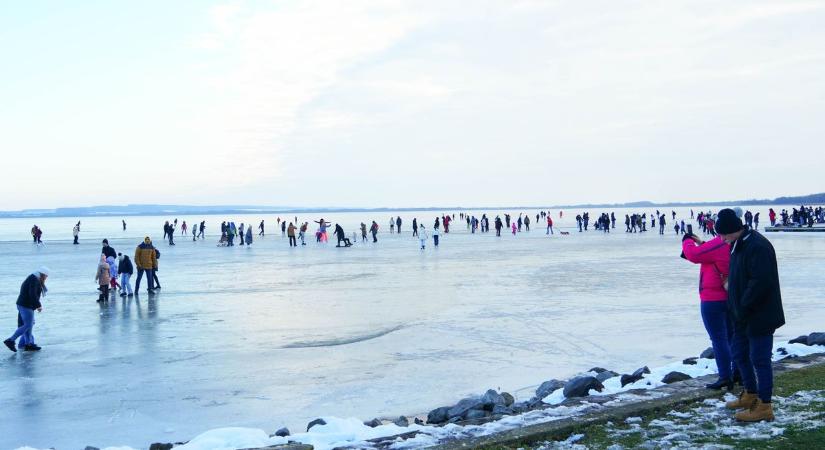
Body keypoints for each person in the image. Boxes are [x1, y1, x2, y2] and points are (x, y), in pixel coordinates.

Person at [716, 208, 785, 422]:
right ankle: (750, 393)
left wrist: (743, 306)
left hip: (759, 314)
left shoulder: (758, 246)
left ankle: (764, 405)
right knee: (739, 354)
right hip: (741, 314)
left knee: (760, 359)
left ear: (733, 230)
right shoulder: (738, 244)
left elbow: (760, 283)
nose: (721, 239)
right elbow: (741, 277)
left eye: (724, 234)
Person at [682, 231, 734, 390]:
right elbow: (713, 254)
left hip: (713, 298)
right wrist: (703, 243)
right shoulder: (735, 242)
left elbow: (692, 255)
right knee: (733, 336)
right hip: (731, 297)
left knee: (719, 339)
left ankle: (725, 376)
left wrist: (687, 240)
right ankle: (738, 372)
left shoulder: (720, 243)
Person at [4, 267, 49, 352]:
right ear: (43, 275)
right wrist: (38, 305)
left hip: (23, 304)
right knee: (28, 324)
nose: (46, 278)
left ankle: (28, 344)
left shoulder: (32, 278)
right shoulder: (34, 280)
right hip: (26, 305)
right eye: (46, 276)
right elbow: (32, 294)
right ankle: (10, 340)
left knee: (28, 324)